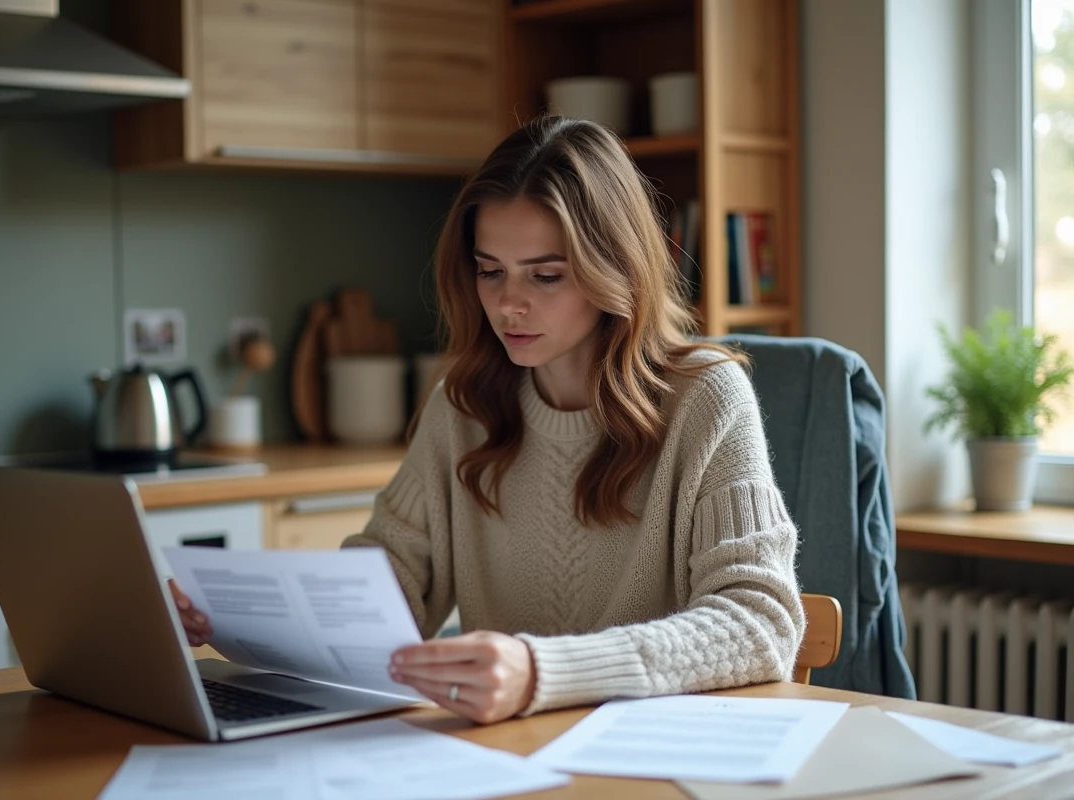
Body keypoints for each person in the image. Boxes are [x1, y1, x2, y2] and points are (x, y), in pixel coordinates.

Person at [174, 115, 805, 725]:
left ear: (614, 270)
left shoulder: (705, 397)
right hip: (500, 753)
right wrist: (238, 620)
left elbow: (761, 623)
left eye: (546, 275)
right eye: (490, 270)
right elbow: (390, 583)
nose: (509, 303)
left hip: (651, 762)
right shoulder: (463, 402)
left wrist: (542, 671)